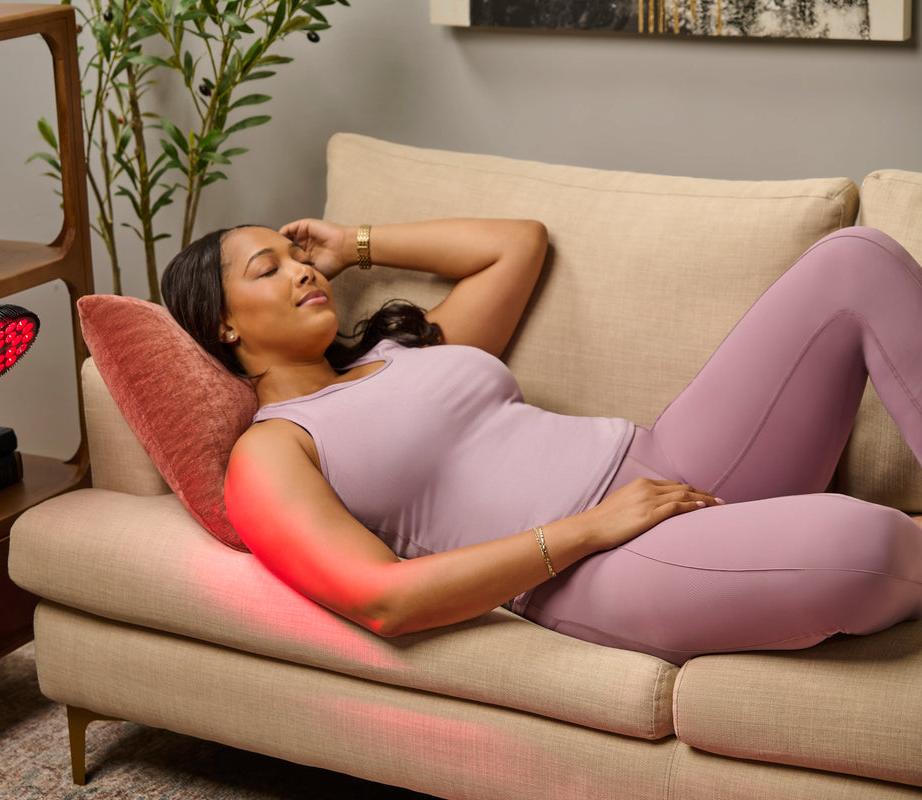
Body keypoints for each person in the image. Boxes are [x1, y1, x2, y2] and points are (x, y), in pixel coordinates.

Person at [160, 218, 922, 664]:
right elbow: (382, 600)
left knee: (854, 259)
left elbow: (518, 244)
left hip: (669, 458)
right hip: (602, 563)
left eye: (298, 257)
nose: (300, 271)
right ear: (224, 326)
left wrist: (355, 242)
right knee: (866, 547)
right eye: (270, 269)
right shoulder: (271, 453)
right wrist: (589, 529)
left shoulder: (398, 351)